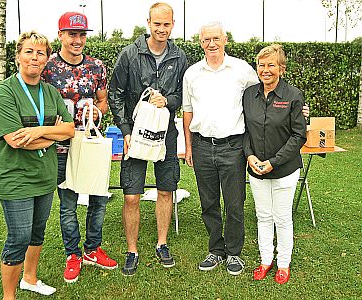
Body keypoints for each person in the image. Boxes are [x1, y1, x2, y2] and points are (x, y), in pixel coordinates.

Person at [0, 31, 74, 299]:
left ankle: (30, 278)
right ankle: (8, 296)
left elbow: (69, 129)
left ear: (47, 58)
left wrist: (36, 132)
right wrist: (51, 133)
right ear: (18, 56)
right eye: (29, 51)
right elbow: (15, 141)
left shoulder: (50, 92)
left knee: (37, 232)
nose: (34, 57)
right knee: (19, 237)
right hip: (14, 177)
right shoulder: (4, 92)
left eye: (40, 53)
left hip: (44, 175)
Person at [108, 2, 187, 276]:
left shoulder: (179, 57)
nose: (161, 29)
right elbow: (115, 93)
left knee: (166, 191)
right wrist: (125, 130)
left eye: (166, 24)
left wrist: (168, 100)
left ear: (173, 24)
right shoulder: (129, 54)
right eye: (157, 24)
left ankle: (162, 243)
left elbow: (183, 97)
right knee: (131, 195)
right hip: (135, 136)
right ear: (148, 23)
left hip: (166, 135)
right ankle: (132, 249)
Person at [42, 12, 117, 283]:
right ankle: (72, 253)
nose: (77, 40)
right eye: (72, 34)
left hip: (91, 143)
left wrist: (97, 112)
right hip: (61, 147)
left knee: (98, 200)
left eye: (82, 34)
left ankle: (93, 249)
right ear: (60, 34)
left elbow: (103, 101)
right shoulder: (48, 67)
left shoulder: (97, 66)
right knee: (69, 204)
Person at [182, 21, 260, 276]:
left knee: (235, 203)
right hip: (203, 146)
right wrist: (189, 146)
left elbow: (260, 100)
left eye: (216, 38)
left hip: (233, 147)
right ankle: (216, 250)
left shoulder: (242, 70)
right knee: (209, 203)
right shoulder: (192, 73)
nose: (211, 44)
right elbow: (187, 111)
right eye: (206, 40)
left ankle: (234, 253)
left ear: (225, 39)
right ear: (201, 42)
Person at [243, 44, 307, 284]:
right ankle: (265, 260)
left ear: (282, 68)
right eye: (261, 65)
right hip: (256, 168)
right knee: (263, 216)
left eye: (271, 65)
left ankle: (283, 263)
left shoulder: (293, 96)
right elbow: (245, 130)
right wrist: (250, 156)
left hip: (284, 170)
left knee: (281, 217)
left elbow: (298, 135)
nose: (266, 70)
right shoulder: (249, 95)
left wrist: (274, 162)